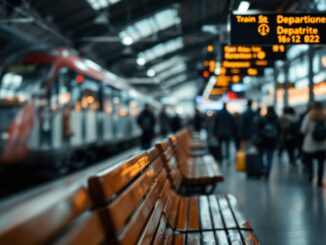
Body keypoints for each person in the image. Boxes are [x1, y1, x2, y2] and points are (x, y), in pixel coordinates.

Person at [301, 102, 326, 187]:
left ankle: (311, 175)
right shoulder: (324, 116)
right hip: (322, 144)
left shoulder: (309, 116)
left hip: (310, 144)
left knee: (309, 161)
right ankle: (319, 180)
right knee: (321, 163)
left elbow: (303, 129)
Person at [256, 106, 279, 179]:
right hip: (272, 141)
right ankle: (268, 172)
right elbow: (279, 131)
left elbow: (258, 129)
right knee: (270, 158)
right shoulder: (276, 119)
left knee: (260, 156)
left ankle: (263, 168)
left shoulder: (263, 119)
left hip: (263, 141)